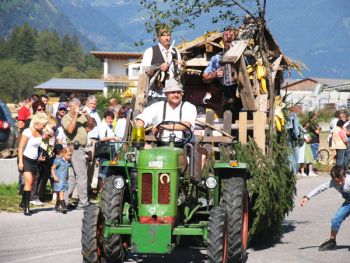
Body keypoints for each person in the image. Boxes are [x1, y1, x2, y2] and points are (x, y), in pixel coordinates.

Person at [300, 166, 350, 251]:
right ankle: (332, 241)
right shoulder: (332, 182)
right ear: (334, 179)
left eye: (342, 180)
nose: (340, 183)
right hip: (348, 203)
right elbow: (320, 188)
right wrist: (307, 197)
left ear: (345, 175)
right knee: (336, 219)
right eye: (338, 181)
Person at [135, 79, 197, 144]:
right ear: (166, 94)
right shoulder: (157, 106)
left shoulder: (188, 106)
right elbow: (140, 120)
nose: (176, 95)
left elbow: (186, 125)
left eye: (178, 92)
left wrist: (163, 127)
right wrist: (140, 142)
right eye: (173, 92)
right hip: (160, 146)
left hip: (184, 147)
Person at [202, 28, 242, 119]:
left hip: (242, 92)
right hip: (226, 93)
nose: (229, 37)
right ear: (222, 40)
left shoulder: (244, 55)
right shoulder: (217, 58)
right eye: (226, 35)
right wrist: (215, 75)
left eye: (231, 35)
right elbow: (205, 77)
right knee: (228, 117)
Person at [140, 24, 182, 104]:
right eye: (163, 35)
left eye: (168, 35)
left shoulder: (176, 52)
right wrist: (158, 67)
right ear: (158, 37)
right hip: (155, 95)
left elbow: (178, 72)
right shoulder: (150, 51)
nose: (167, 38)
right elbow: (143, 71)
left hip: (172, 95)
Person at [17, 113, 49, 216]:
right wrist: (21, 162)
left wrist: (40, 155)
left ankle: (22, 203)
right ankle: (26, 207)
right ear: (37, 123)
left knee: (30, 184)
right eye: (43, 124)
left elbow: (39, 145)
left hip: (35, 160)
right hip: (25, 158)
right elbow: (21, 147)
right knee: (29, 181)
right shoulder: (27, 131)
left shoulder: (41, 131)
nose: (44, 126)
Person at [61, 98, 90, 210]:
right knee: (82, 176)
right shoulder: (66, 118)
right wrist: (75, 116)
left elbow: (91, 125)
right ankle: (83, 202)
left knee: (73, 177)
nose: (79, 108)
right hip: (75, 148)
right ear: (71, 107)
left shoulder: (81, 115)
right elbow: (70, 130)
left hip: (81, 148)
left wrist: (87, 116)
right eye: (76, 106)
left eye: (79, 106)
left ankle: (65, 200)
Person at [97, 110, 122, 192]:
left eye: (111, 119)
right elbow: (102, 138)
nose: (110, 120)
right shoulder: (102, 126)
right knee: (103, 171)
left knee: (107, 170)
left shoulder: (110, 126)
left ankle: (104, 190)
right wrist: (113, 138)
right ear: (104, 118)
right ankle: (100, 190)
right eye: (108, 118)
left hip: (110, 150)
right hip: (105, 151)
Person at [83, 95, 102, 195]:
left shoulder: (95, 113)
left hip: (96, 141)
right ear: (87, 103)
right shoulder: (85, 112)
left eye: (94, 104)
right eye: (91, 103)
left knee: (93, 166)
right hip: (89, 140)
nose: (93, 105)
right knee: (87, 164)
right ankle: (84, 188)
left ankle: (89, 186)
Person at [51, 146, 72, 214]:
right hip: (58, 180)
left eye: (70, 155)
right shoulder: (58, 160)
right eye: (68, 155)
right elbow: (52, 168)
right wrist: (54, 176)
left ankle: (56, 207)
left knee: (60, 194)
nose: (69, 157)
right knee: (61, 193)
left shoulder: (68, 162)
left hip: (64, 180)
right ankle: (63, 206)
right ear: (63, 154)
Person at [286, 105, 301, 175]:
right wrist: (297, 136)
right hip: (294, 140)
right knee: (295, 157)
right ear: (295, 109)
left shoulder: (288, 116)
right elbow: (296, 128)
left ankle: (289, 172)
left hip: (288, 138)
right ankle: (294, 173)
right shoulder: (294, 116)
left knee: (289, 156)